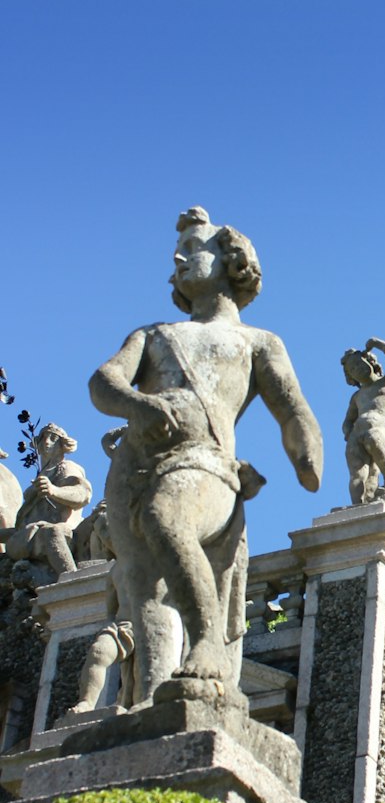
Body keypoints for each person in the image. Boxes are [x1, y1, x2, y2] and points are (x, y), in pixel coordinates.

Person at [90, 207, 323, 702]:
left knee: (165, 517)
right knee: (144, 593)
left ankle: (209, 644)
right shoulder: (153, 335)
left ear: (233, 260)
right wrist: (137, 404)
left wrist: (306, 455)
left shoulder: (256, 342)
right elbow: (104, 382)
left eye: (194, 248)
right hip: (132, 469)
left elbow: (293, 409)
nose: (178, 257)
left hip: (204, 465)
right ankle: (151, 703)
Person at [0, 424, 92, 576]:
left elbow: (82, 494)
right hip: (29, 535)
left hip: (61, 532)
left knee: (50, 532)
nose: (47, 442)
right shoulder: (42, 475)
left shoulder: (66, 467)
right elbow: (20, 528)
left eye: (53, 438)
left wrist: (53, 491)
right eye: (43, 438)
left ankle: (71, 580)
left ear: (63, 444)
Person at [340, 337, 385, 507]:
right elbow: (348, 419)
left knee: (373, 440)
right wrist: (346, 430)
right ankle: (357, 506)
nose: (357, 369)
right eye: (352, 369)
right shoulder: (357, 397)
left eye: (359, 364)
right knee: (357, 474)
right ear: (350, 377)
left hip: (377, 429)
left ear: (370, 362)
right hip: (356, 433)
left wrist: (376, 344)